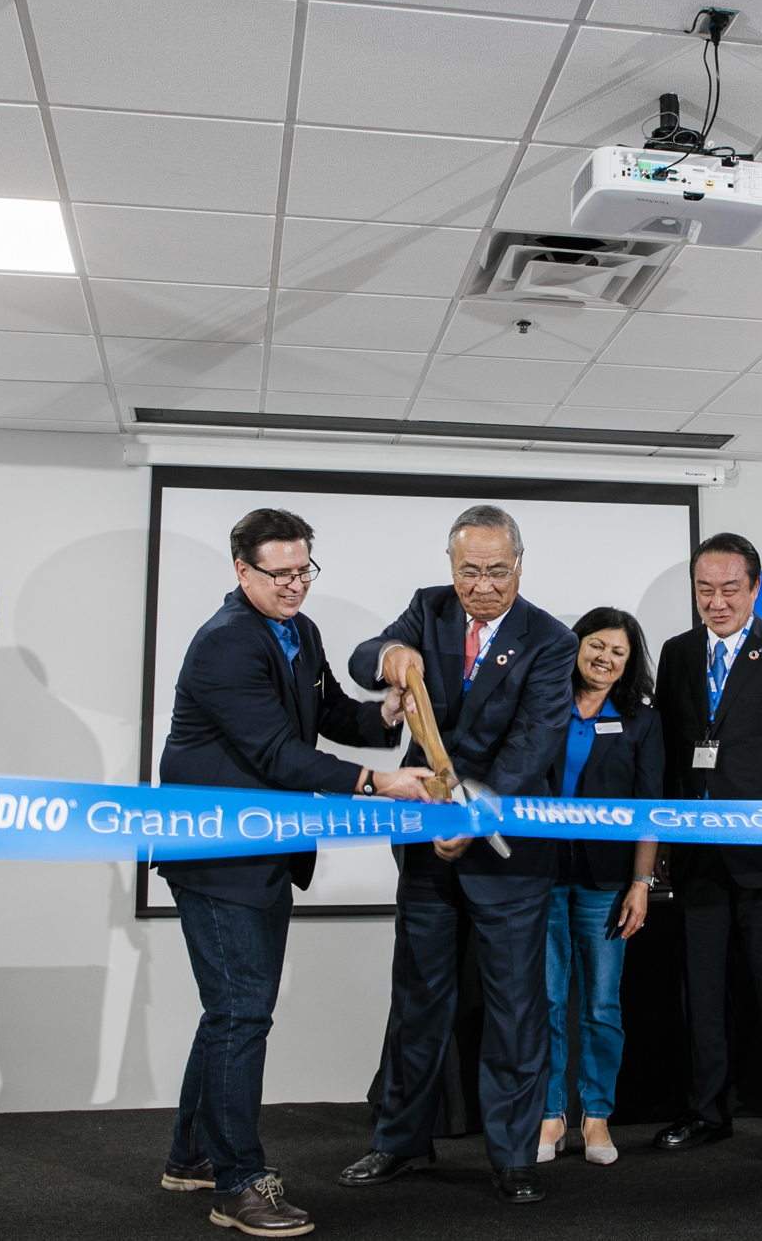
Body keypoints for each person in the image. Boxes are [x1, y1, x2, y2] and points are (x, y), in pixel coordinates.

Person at [158, 507, 427, 1238]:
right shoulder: (223, 645)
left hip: (262, 851)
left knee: (231, 1012)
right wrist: (376, 783)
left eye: (304, 569)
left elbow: (328, 710)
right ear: (241, 570)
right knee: (243, 1012)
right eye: (279, 573)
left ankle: (193, 1155)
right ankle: (239, 1183)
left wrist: (388, 716)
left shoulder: (298, 630)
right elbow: (279, 754)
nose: (294, 584)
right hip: (217, 854)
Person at [344, 505, 577, 1205]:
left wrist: (475, 817)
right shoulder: (427, 609)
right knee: (416, 999)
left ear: (519, 565)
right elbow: (364, 659)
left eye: (496, 570)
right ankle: (399, 1141)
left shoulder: (551, 639)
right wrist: (387, 656)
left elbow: (535, 743)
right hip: (426, 853)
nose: (482, 585)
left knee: (514, 1009)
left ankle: (512, 1156)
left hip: (507, 854)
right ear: (451, 567)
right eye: (469, 570)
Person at [652, 532, 762, 1166]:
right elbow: (674, 755)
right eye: (706, 589)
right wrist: (665, 840)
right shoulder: (676, 655)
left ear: (755, 589)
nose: (717, 601)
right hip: (699, 857)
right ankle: (708, 1112)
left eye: (731, 589)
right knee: (702, 994)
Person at [538, 607, 663, 1168]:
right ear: (576, 645)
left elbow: (648, 809)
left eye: (618, 651)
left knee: (602, 1004)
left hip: (606, 882)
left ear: (630, 661)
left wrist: (641, 882)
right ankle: (549, 1114)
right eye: (596, 645)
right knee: (543, 1001)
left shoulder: (641, 719)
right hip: (537, 875)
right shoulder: (540, 704)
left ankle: (596, 1116)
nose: (605, 658)